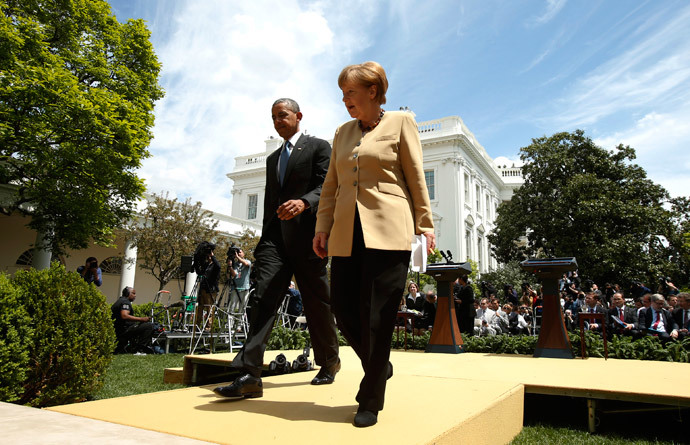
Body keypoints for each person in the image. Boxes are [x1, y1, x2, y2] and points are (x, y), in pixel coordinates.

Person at [312, 62, 435, 428]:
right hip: (347, 232)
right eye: (343, 94)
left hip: (390, 229)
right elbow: (332, 185)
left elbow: (415, 174)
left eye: (351, 92)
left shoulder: (400, 122)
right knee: (344, 310)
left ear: (373, 91)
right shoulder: (342, 132)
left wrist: (425, 225)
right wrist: (322, 227)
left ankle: (370, 398)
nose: (345, 100)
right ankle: (380, 365)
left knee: (379, 316)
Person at [214, 98, 340, 400]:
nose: (277, 121)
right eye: (273, 117)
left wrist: (304, 202)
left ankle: (329, 361)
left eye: (281, 115)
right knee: (262, 296)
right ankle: (249, 374)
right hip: (275, 240)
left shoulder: (319, 147)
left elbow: (329, 185)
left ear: (298, 116)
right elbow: (272, 202)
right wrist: (265, 237)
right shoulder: (272, 160)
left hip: (309, 239)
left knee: (316, 303)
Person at [111, 287, 154, 354]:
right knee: (148, 326)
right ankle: (140, 350)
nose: (135, 295)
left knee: (141, 326)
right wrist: (142, 319)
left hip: (119, 329)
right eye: (133, 293)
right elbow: (124, 315)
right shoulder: (125, 302)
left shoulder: (120, 301)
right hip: (124, 330)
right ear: (128, 294)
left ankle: (133, 347)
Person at [193, 241, 221, 331]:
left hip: (211, 290)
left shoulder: (215, 265)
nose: (208, 257)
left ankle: (208, 326)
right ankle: (197, 325)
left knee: (209, 308)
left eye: (209, 255)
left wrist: (212, 255)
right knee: (200, 307)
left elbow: (218, 266)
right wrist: (196, 260)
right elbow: (199, 271)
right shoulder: (205, 265)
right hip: (203, 288)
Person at [228, 248, 252, 314]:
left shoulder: (248, 261)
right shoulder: (235, 264)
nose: (238, 253)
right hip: (236, 288)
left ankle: (239, 324)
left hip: (245, 289)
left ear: (243, 254)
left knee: (242, 309)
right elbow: (235, 274)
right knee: (232, 308)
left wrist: (237, 257)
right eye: (237, 252)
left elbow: (246, 264)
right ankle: (230, 323)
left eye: (240, 252)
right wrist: (230, 266)